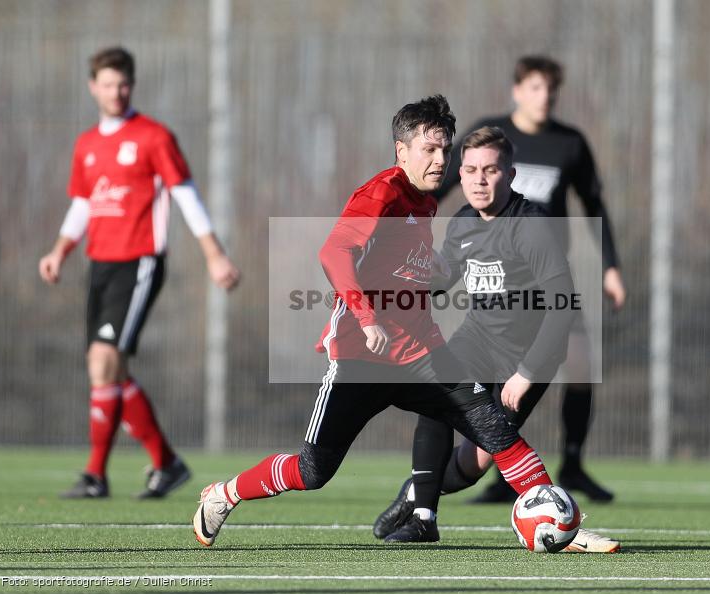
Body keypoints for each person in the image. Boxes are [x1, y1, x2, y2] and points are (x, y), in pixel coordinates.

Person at [192, 95, 559, 548]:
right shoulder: (381, 192)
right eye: (429, 149)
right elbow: (333, 252)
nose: (440, 160)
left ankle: (559, 520)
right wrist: (367, 319)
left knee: (496, 430)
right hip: (361, 356)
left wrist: (435, 271)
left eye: (445, 150)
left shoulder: (425, 203)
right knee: (313, 471)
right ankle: (224, 494)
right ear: (401, 151)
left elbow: (402, 268)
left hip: (421, 353)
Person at [372, 126, 620, 552]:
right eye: (470, 170)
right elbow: (442, 279)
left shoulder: (532, 226)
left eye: (490, 170)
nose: (479, 180)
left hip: (527, 357)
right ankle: (424, 518)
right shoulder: (463, 222)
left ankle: (415, 490)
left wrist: (527, 373)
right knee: (435, 395)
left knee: (474, 462)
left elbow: (562, 306)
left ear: (510, 174)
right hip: (477, 339)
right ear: (460, 175)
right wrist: (392, 288)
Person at [38, 47, 240, 499]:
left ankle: (96, 475)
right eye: (108, 84)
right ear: (93, 87)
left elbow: (185, 195)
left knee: (103, 361)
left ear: (133, 85)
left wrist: (214, 254)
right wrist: (59, 251)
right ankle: (166, 464)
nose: (116, 92)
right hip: (100, 263)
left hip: (140, 261)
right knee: (108, 369)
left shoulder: (153, 137)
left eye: (123, 84)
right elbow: (83, 203)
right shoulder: (87, 144)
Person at [433, 56, 624, 504]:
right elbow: (444, 184)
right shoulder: (493, 136)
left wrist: (611, 267)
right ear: (517, 90)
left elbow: (593, 204)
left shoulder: (569, 143)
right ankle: (486, 473)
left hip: (548, 279)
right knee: (481, 376)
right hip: (500, 286)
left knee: (578, 363)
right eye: (535, 88)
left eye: (551, 90)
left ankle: (572, 462)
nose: (544, 98)